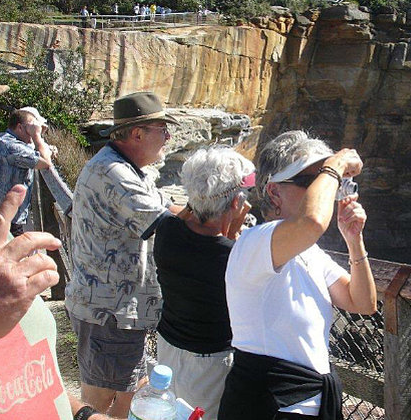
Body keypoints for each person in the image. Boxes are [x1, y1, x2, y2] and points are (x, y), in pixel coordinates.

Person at [0, 75, 118, 420]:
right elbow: (44, 162)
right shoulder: (9, 144)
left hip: (4, 221)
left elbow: (20, 373)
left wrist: (84, 415)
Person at [218, 130, 377, 420]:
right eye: (310, 180)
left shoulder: (310, 252)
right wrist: (335, 165)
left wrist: (354, 240)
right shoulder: (254, 242)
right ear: (274, 192)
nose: (323, 186)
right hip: (270, 404)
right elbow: (312, 221)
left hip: (305, 401)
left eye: (323, 179)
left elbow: (363, 302)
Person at [65, 92, 182, 417]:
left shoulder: (129, 169)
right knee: (101, 402)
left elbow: (166, 207)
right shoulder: (113, 173)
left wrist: (202, 211)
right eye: (163, 129)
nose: (168, 137)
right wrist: (215, 220)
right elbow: (166, 224)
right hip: (110, 314)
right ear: (137, 134)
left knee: (126, 395)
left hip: (113, 311)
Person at [154, 147, 255, 419]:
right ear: (236, 203)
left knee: (167, 412)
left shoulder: (166, 230)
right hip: (210, 361)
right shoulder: (235, 256)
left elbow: (190, 225)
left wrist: (199, 203)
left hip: (168, 345)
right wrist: (235, 227)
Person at [0, 106, 53, 236]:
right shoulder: (11, 146)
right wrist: (37, 136)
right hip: (2, 219)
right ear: (20, 127)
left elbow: (34, 151)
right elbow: (45, 162)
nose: (33, 132)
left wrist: (39, 137)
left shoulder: (3, 139)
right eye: (30, 128)